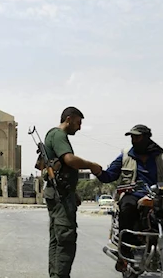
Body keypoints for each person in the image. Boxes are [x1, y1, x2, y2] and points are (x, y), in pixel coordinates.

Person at [94, 124, 163, 272]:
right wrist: (97, 171)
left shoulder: (161, 157)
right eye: (132, 137)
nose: (134, 140)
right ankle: (125, 252)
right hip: (132, 195)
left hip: (156, 196)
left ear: (146, 138)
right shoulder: (125, 155)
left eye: (137, 137)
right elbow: (109, 175)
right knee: (127, 208)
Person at [43, 106, 103, 278]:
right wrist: (91, 165)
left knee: (57, 239)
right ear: (68, 119)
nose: (79, 127)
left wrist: (72, 191)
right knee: (66, 239)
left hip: (59, 193)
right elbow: (69, 160)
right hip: (60, 196)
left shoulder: (52, 135)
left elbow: (62, 168)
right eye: (78, 123)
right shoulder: (59, 135)